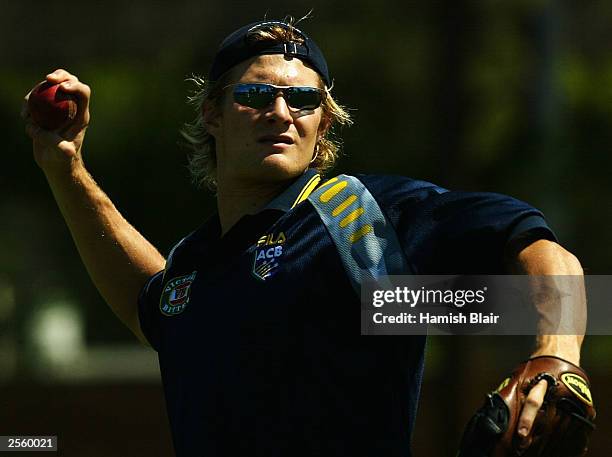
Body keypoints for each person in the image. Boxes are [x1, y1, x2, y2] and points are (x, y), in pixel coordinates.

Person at [24, 18, 587, 457]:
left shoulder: (360, 219)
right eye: (253, 96)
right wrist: (66, 169)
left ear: (324, 123)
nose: (280, 112)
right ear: (212, 114)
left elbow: (536, 246)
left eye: (304, 100)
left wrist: (556, 352)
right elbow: (155, 305)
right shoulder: (195, 264)